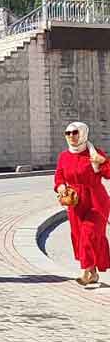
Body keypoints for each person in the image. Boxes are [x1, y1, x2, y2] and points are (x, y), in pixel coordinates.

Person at [54, 121, 110, 287]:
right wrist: (61, 186)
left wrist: (104, 161)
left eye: (75, 132)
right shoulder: (64, 156)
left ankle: (85, 272)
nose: (71, 136)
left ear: (83, 133)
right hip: (76, 203)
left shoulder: (94, 154)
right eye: (68, 133)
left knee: (89, 234)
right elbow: (59, 176)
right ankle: (92, 273)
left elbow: (108, 174)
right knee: (79, 237)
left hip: (96, 201)